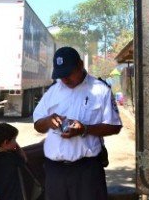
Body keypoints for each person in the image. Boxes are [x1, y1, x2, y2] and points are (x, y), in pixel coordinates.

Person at [33, 46, 123, 200]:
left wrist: (85, 129)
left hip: (87, 171)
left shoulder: (100, 90)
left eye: (68, 73)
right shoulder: (52, 92)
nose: (65, 79)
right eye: (61, 75)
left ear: (80, 65)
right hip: (55, 171)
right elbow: (37, 124)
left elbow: (115, 126)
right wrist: (48, 121)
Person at [0, 122, 29, 200]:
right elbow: (24, 159)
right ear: (6, 142)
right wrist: (17, 147)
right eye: (14, 139)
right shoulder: (13, 157)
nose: (15, 142)